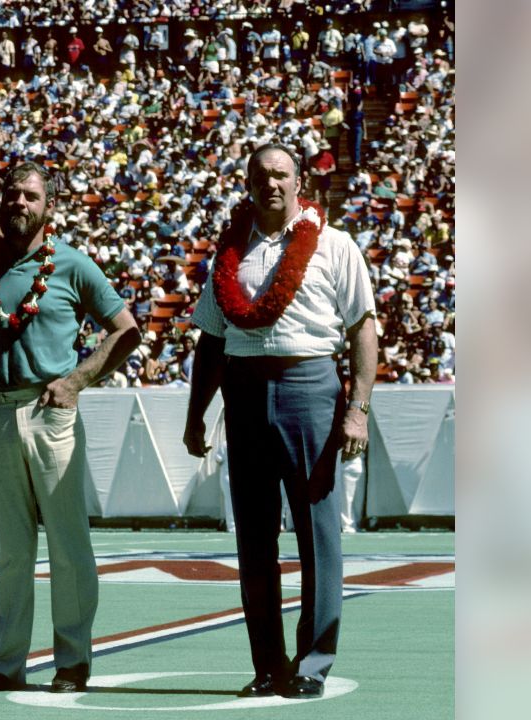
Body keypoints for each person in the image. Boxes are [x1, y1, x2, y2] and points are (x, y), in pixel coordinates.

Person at [0, 163, 140, 693]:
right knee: (11, 549)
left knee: (68, 545)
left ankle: (72, 660)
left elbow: (126, 329)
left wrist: (77, 380)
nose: (19, 203)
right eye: (11, 195)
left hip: (52, 415)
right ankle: (6, 664)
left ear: (50, 205)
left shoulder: (70, 264)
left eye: (30, 195)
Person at [183, 145, 376, 700]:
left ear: (298, 182)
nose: (271, 184)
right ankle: (267, 664)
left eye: (281, 175)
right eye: (261, 175)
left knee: (318, 532)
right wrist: (198, 413)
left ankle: (313, 662)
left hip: (309, 385)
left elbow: (363, 327)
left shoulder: (335, 245)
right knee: (254, 535)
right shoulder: (230, 253)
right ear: (248, 183)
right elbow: (212, 338)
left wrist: (357, 410)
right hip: (243, 390)